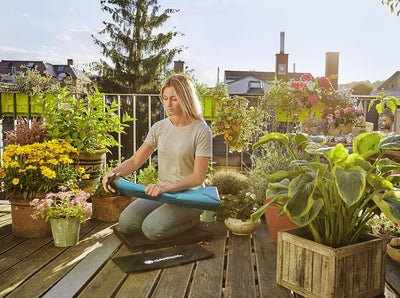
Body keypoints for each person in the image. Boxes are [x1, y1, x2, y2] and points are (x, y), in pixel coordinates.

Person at [102, 74, 212, 241]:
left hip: (190, 196)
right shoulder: (160, 127)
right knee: (125, 223)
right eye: (165, 98)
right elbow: (135, 161)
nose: (168, 104)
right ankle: (167, 216)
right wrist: (112, 173)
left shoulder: (201, 130)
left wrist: (166, 188)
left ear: (186, 98)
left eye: (174, 99)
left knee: (151, 229)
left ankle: (192, 220)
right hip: (163, 193)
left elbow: (198, 177)